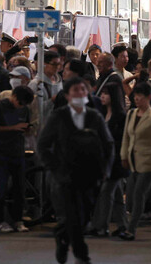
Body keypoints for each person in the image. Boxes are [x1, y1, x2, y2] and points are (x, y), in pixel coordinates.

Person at [38, 76, 114, 264]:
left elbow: (108, 143)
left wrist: (106, 168)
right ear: (67, 95)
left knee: (83, 217)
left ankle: (62, 236)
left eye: (83, 90)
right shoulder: (59, 116)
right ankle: (82, 254)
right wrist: (54, 167)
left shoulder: (93, 116)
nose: (80, 93)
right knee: (72, 215)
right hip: (65, 176)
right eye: (75, 91)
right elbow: (43, 145)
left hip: (91, 174)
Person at [118, 81, 151, 240]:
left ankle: (130, 229)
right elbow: (126, 137)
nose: (136, 98)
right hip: (134, 161)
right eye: (135, 96)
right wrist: (124, 156)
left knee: (139, 194)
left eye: (140, 96)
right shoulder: (131, 114)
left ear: (148, 97)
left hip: (149, 161)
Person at [0, 84, 34, 234]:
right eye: (20, 103)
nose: (20, 107)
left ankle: (18, 220)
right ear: (14, 96)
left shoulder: (25, 109)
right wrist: (14, 127)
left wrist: (26, 129)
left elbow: (26, 127)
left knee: (19, 188)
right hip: (1, 151)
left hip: (18, 151)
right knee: (0, 188)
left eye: (24, 105)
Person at [88, 83, 129, 237]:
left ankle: (100, 226)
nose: (102, 96)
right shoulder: (103, 114)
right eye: (102, 93)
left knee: (106, 192)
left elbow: (122, 140)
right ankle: (123, 225)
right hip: (105, 161)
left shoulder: (120, 117)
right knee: (117, 195)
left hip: (116, 161)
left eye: (106, 94)